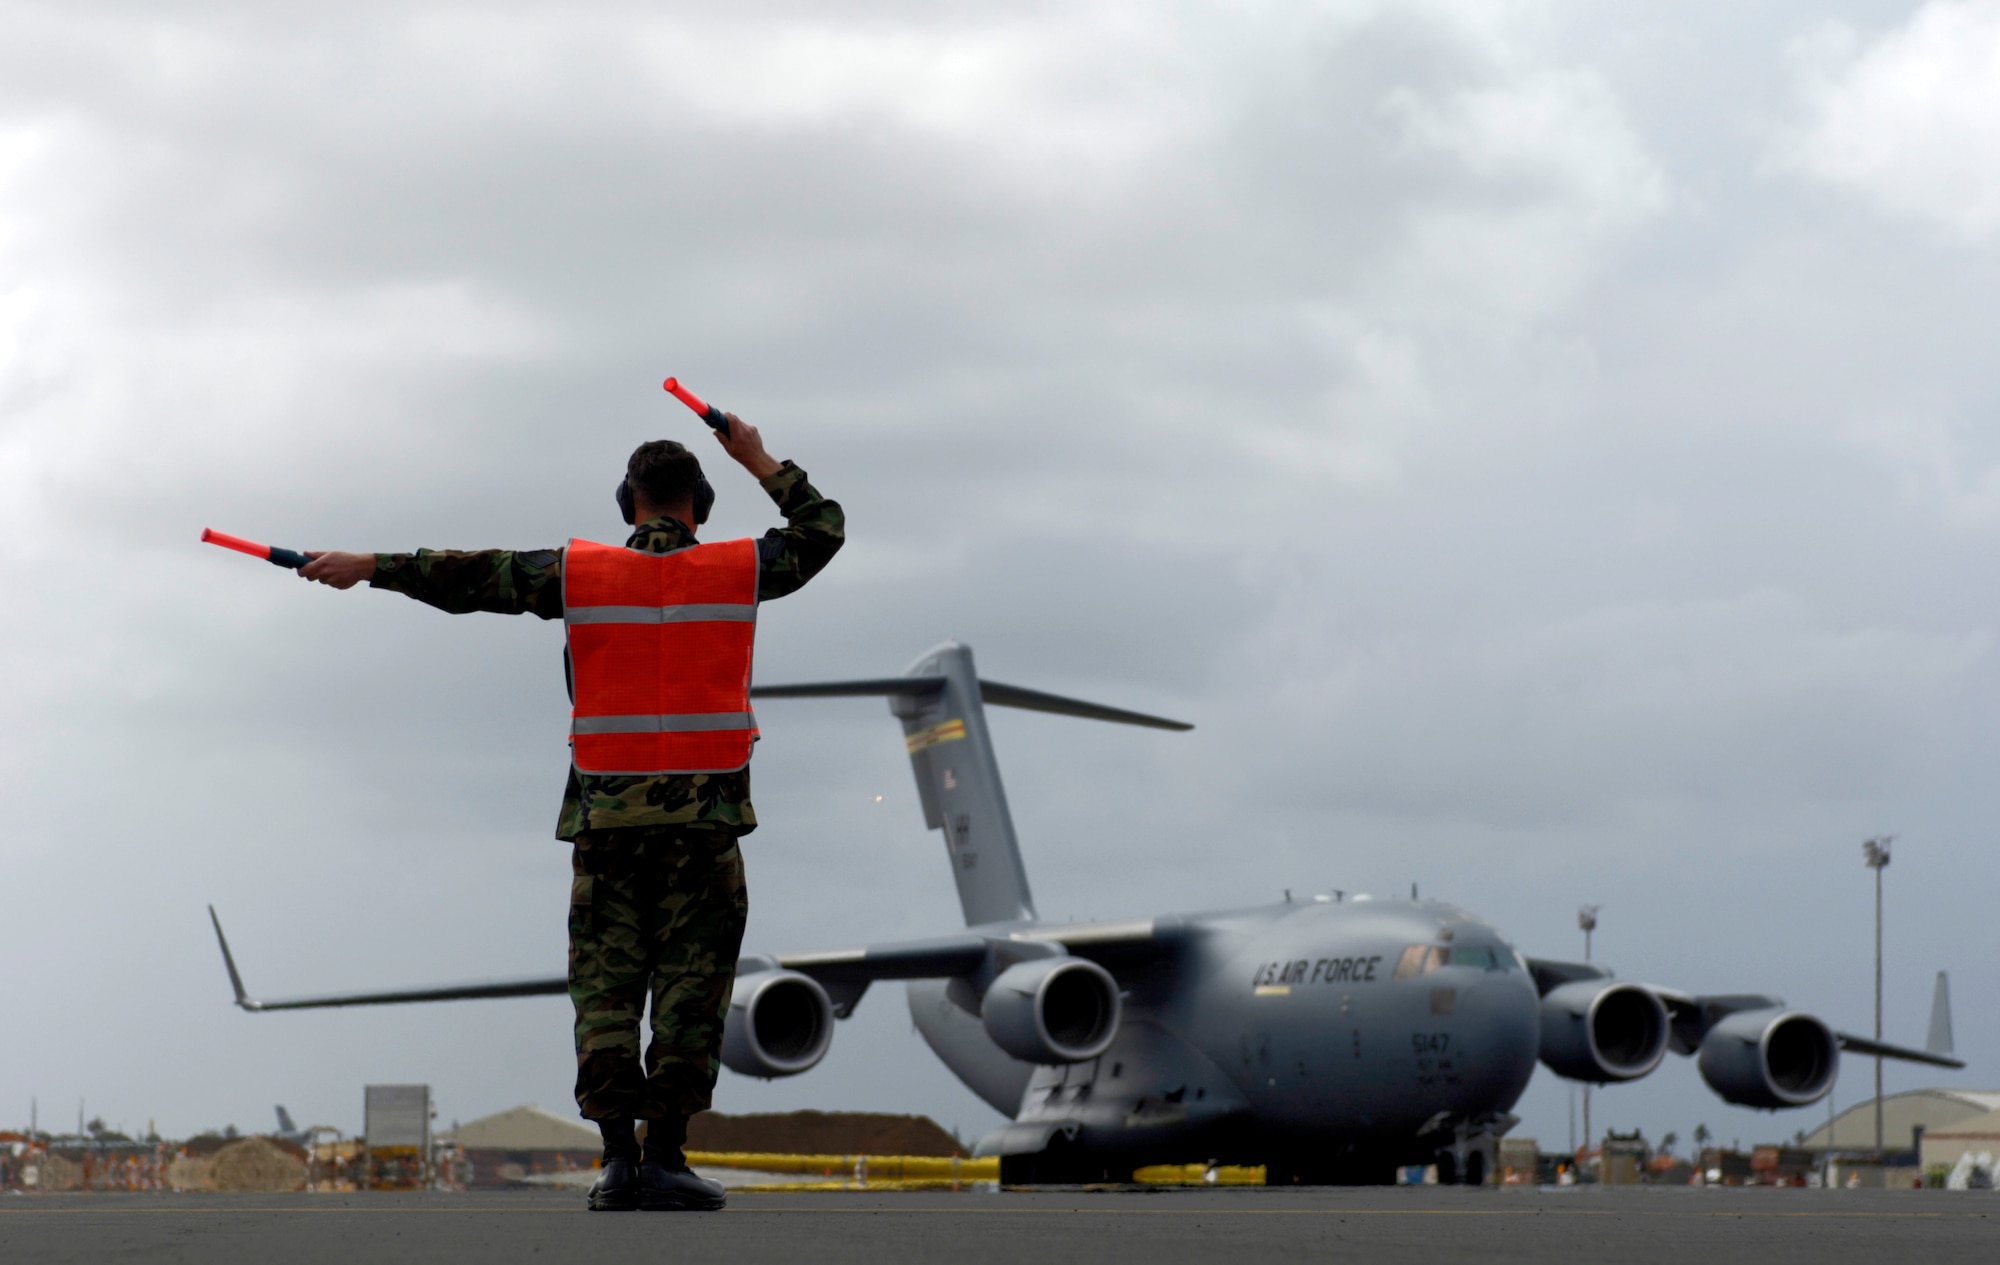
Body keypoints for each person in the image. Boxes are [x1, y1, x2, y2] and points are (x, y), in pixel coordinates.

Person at [299, 414, 843, 1211]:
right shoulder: (741, 569)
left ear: (628, 501)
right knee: (692, 991)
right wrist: (756, 454)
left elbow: (470, 575)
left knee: (606, 992)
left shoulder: (578, 574)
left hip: (607, 827)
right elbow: (821, 528)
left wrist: (370, 565)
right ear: (702, 501)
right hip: (704, 827)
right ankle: (668, 1157)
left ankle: (618, 1161)